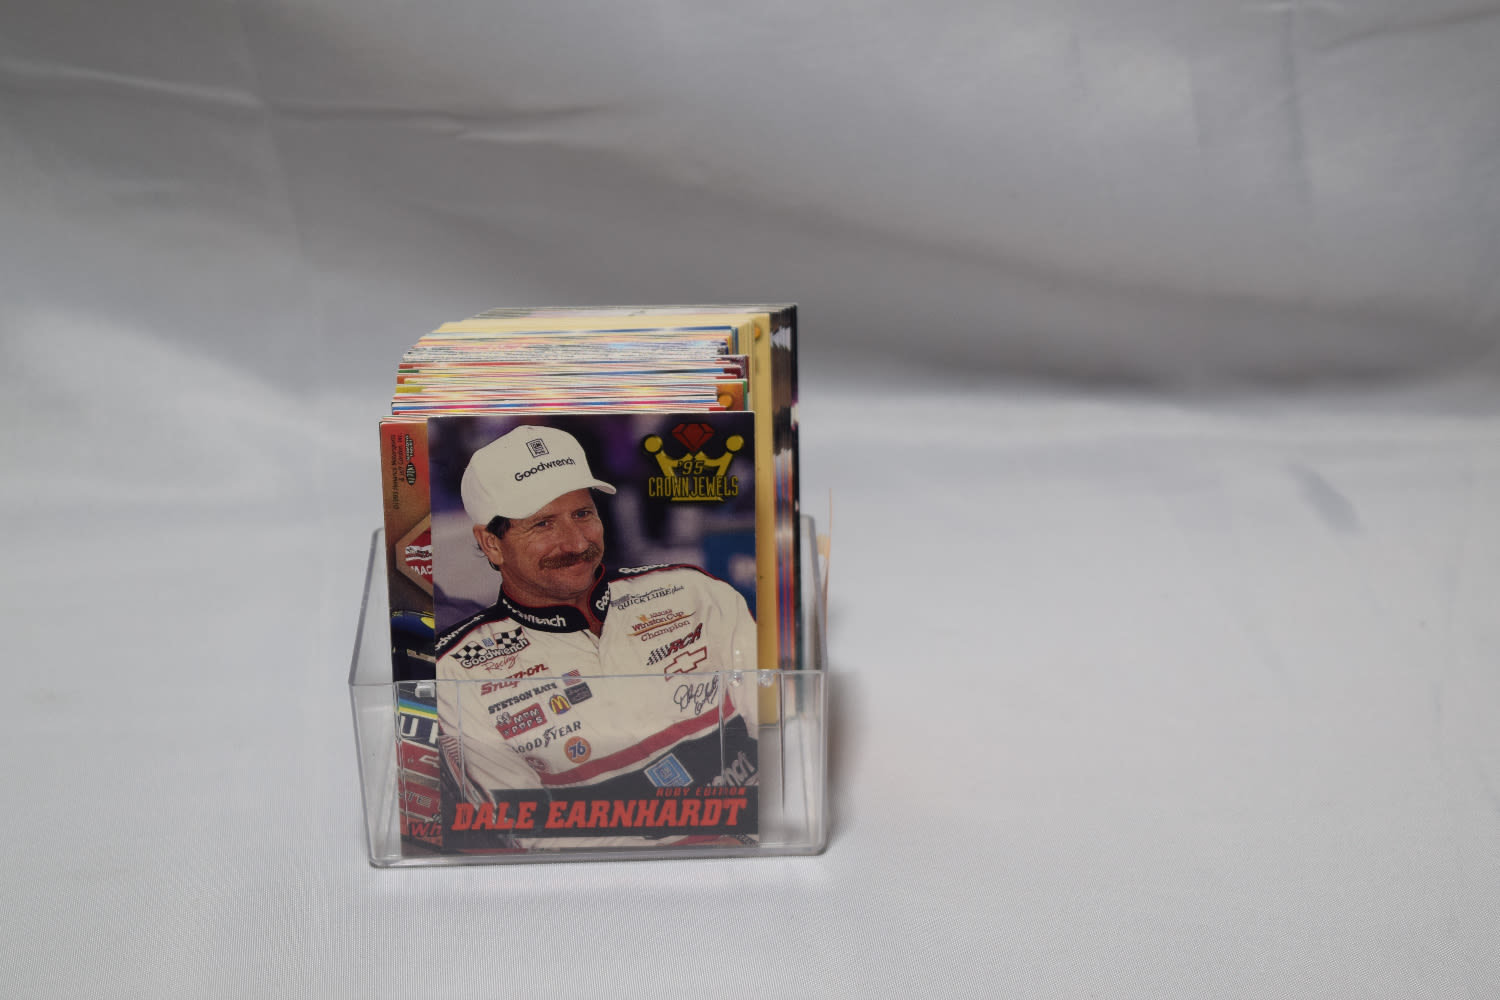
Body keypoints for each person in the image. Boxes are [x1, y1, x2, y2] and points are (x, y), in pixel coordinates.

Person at [433, 425, 759, 849]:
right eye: (543, 523)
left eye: (583, 514)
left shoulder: (693, 591)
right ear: (491, 543)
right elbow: (532, 835)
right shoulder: (458, 671)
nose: (575, 542)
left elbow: (780, 736)